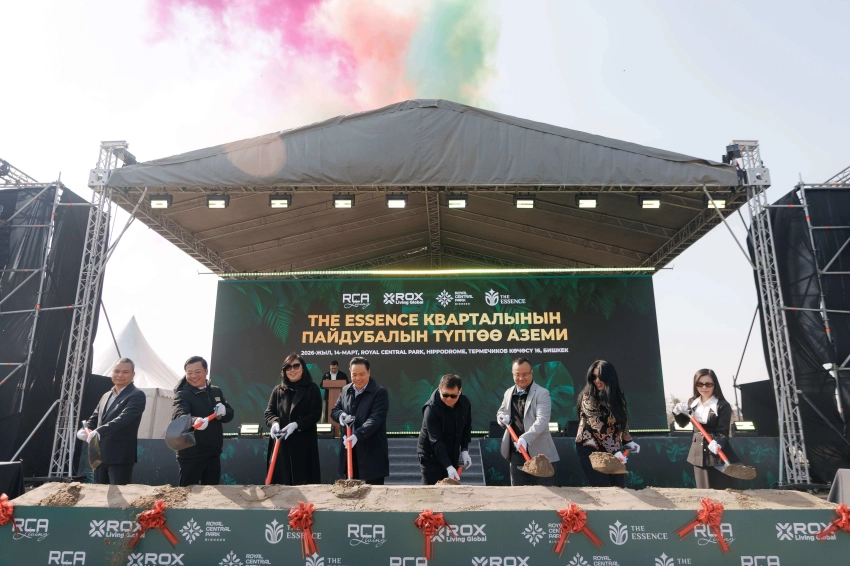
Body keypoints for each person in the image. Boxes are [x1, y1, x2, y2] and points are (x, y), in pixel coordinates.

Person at [77, 358, 146, 485]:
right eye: (116, 371)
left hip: (120, 456)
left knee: (118, 495)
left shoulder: (137, 395)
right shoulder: (106, 395)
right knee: (99, 493)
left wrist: (99, 431)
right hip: (98, 455)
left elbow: (124, 419)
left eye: (125, 372)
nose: (120, 375)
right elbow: (95, 417)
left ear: (133, 374)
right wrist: (84, 430)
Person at [575, 360, 639, 488]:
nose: (597, 380)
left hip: (612, 447)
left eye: (601, 376)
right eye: (594, 377)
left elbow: (623, 420)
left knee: (618, 486)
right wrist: (615, 451)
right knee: (602, 487)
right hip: (590, 448)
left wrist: (628, 441)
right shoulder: (588, 397)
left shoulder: (618, 395)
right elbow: (597, 426)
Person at [496, 357, 560, 486]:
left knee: (547, 493)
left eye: (525, 374)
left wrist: (525, 439)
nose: (521, 378)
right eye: (517, 374)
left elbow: (542, 420)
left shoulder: (542, 393)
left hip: (540, 454)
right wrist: (502, 418)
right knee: (520, 493)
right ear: (512, 374)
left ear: (532, 372)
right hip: (516, 453)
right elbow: (501, 411)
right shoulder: (508, 393)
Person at [172, 356, 234, 486]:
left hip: (213, 453)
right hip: (191, 454)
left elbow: (229, 414)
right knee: (187, 494)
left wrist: (224, 412)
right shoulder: (182, 394)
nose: (193, 376)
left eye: (197, 371)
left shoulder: (216, 391)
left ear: (206, 371)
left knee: (211, 493)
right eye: (189, 373)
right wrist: (194, 421)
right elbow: (179, 415)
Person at [673, 369, 740, 489]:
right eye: (700, 384)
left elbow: (723, 432)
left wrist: (718, 442)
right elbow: (683, 424)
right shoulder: (692, 402)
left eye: (708, 384)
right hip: (698, 454)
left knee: (721, 491)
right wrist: (677, 412)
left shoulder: (722, 405)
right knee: (704, 491)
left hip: (716, 454)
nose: (704, 387)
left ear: (715, 384)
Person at [264, 353, 322, 485]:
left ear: (303, 368)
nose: (292, 370)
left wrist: (296, 424)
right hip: (281, 444)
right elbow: (268, 413)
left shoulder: (312, 389)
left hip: (303, 443)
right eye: (288, 367)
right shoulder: (278, 390)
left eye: (296, 366)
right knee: (280, 484)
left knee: (304, 483)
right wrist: (274, 423)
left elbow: (315, 414)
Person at [330, 356, 389, 484]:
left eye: (362, 374)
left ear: (369, 372)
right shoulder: (346, 390)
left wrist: (357, 435)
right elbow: (335, 410)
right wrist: (341, 416)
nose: (358, 378)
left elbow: (375, 419)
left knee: (373, 493)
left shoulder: (379, 393)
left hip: (371, 455)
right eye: (354, 374)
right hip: (349, 454)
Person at [417, 374, 472, 485]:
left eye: (453, 396)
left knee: (450, 490)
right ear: (439, 388)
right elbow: (436, 440)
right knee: (431, 489)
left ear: (460, 391)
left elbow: (466, 427)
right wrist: (448, 466)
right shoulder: (431, 409)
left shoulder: (465, 403)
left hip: (452, 450)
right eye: (445, 395)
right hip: (430, 456)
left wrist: (464, 450)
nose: (449, 399)